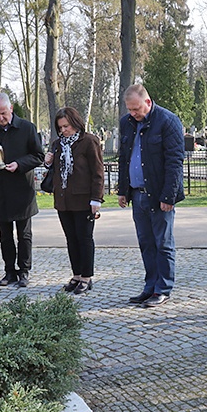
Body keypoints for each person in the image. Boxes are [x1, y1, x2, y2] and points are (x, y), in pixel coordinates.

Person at [117, 84, 185, 308]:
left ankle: (163, 288)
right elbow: (124, 158)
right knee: (146, 243)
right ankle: (150, 286)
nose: (133, 114)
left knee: (163, 243)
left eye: (136, 109)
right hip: (137, 194)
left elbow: (174, 162)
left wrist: (169, 196)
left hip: (158, 194)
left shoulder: (167, 121)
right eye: (130, 110)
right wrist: (123, 190)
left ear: (148, 102)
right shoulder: (127, 123)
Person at [0, 92, 44, 288]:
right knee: (4, 234)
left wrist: (19, 164)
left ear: (10, 108)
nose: (0, 117)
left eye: (3, 113)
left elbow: (38, 156)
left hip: (22, 187)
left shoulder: (27, 128)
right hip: (0, 189)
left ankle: (24, 271)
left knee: (24, 234)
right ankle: (9, 271)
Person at [43, 107, 105, 295]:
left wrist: (96, 199)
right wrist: (48, 161)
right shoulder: (57, 144)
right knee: (71, 239)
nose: (63, 130)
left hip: (84, 199)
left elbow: (97, 172)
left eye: (66, 126)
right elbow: (55, 171)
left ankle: (86, 277)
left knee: (84, 238)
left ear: (76, 123)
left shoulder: (88, 141)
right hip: (64, 200)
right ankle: (76, 274)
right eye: (60, 127)